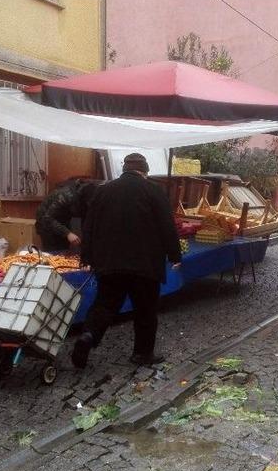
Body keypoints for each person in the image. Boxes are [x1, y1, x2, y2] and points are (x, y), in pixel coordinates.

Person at [73, 154, 182, 368]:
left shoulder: (103, 191)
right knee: (145, 310)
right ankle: (142, 354)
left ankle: (88, 336)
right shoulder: (154, 191)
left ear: (124, 170)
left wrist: (86, 256)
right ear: (144, 171)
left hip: (109, 262)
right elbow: (167, 226)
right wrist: (174, 255)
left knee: (104, 305)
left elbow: (89, 225)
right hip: (145, 264)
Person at [35, 179, 98, 253]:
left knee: (64, 249)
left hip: (62, 219)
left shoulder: (89, 199)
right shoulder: (65, 196)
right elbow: (48, 218)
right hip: (45, 222)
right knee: (53, 252)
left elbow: (85, 219)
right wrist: (67, 233)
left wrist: (86, 240)